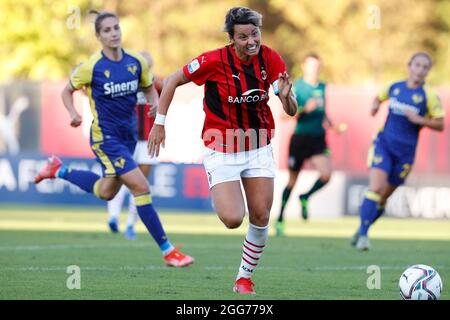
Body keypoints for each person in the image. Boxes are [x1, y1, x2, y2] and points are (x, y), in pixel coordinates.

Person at [148, 7, 297, 294]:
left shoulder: (271, 58)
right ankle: (220, 185)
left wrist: (288, 97)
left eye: (255, 33)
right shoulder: (213, 60)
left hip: (258, 146)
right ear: (231, 38)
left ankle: (244, 278)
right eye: (243, 36)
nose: (251, 41)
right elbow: (171, 80)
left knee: (262, 215)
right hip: (222, 148)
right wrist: (160, 123)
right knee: (232, 219)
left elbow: (290, 110)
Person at [34, 11, 194, 267]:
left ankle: (58, 169)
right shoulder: (92, 67)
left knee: (106, 191)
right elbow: (67, 92)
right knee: (141, 187)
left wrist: (154, 103)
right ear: (98, 36)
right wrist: (74, 112)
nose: (114, 33)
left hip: (128, 137)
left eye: (116, 28)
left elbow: (148, 87)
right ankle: (168, 251)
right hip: (105, 138)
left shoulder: (136, 62)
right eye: (107, 30)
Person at [352, 51, 445, 250]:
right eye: (417, 65)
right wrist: (375, 106)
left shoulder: (428, 95)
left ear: (428, 72)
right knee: (375, 188)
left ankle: (363, 227)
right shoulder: (394, 87)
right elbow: (378, 97)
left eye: (425, 67)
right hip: (383, 145)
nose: (420, 70)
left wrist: (420, 120)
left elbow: (440, 123)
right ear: (409, 66)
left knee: (384, 197)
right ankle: (363, 235)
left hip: (405, 154)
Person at [275, 53, 346, 237]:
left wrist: (333, 126)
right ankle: (280, 219)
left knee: (326, 175)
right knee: (292, 181)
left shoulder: (322, 87)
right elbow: (284, 115)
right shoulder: (297, 87)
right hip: (300, 138)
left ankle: (305, 197)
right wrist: (304, 109)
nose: (314, 69)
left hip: (318, 139)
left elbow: (324, 112)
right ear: (304, 66)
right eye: (311, 65)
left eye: (317, 66)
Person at [106, 51, 164, 241]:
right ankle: (113, 217)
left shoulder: (155, 84)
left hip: (148, 141)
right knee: (121, 179)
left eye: (146, 66)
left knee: (140, 185)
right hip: (126, 139)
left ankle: (131, 224)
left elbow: (168, 89)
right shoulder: (124, 84)